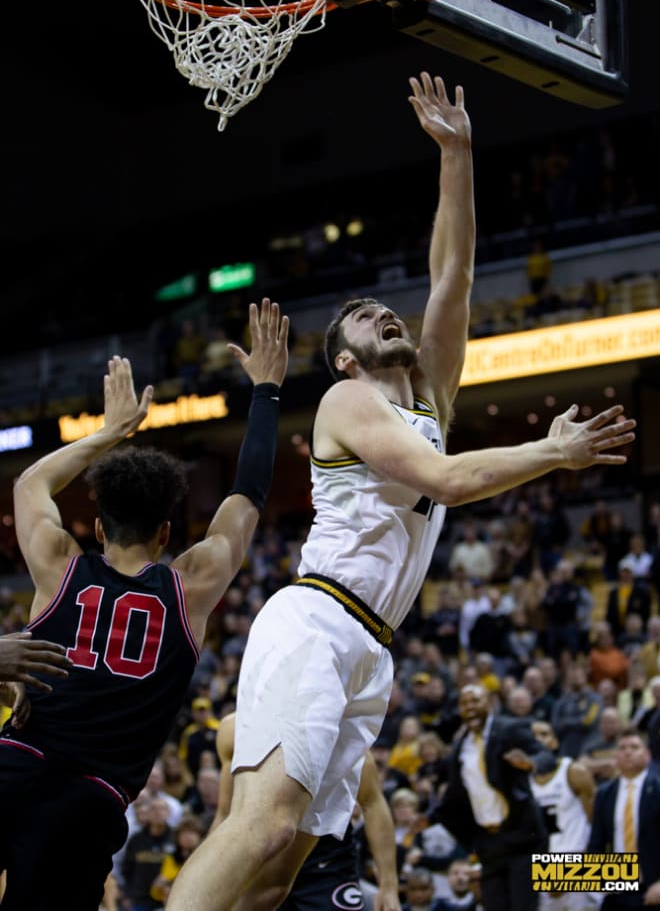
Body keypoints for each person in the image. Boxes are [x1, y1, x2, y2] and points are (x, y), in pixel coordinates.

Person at [167, 72, 635, 911]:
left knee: (281, 871)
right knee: (261, 830)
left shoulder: (430, 402)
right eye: (360, 316)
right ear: (344, 357)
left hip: (370, 646)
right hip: (316, 616)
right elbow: (449, 481)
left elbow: (451, 275)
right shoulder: (350, 401)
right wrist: (552, 450)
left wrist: (456, 156)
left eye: (383, 308)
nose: (383, 312)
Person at [0, 298, 288, 911]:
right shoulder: (192, 585)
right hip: (90, 801)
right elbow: (249, 495)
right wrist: (266, 390)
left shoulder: (58, 565)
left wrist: (108, 431)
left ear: (98, 530)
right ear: (165, 532)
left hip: (13, 766)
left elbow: (29, 485)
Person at [214, 712, 401, 911]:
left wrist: (389, 886)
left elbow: (372, 803)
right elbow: (224, 812)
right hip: (262, 857)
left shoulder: (337, 731)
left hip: (326, 858)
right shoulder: (235, 728)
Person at [427, 683, 555, 911]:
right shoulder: (460, 745)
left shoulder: (509, 729)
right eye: (464, 703)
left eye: (475, 700)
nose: (469, 707)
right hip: (489, 842)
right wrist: (429, 818)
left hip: (522, 837)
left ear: (490, 703)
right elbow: (455, 795)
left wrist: (531, 763)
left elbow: (545, 754)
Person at [587, 728, 660, 910]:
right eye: (622, 748)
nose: (628, 752)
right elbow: (596, 843)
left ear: (647, 755)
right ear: (615, 757)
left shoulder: (658, 789)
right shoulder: (604, 793)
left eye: (634, 747)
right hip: (617, 886)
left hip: (653, 887)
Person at [528, 720, 597, 911]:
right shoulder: (522, 781)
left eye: (544, 734)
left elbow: (596, 823)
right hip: (539, 868)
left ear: (555, 742)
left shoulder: (574, 772)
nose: (538, 739)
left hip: (577, 862)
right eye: (533, 736)